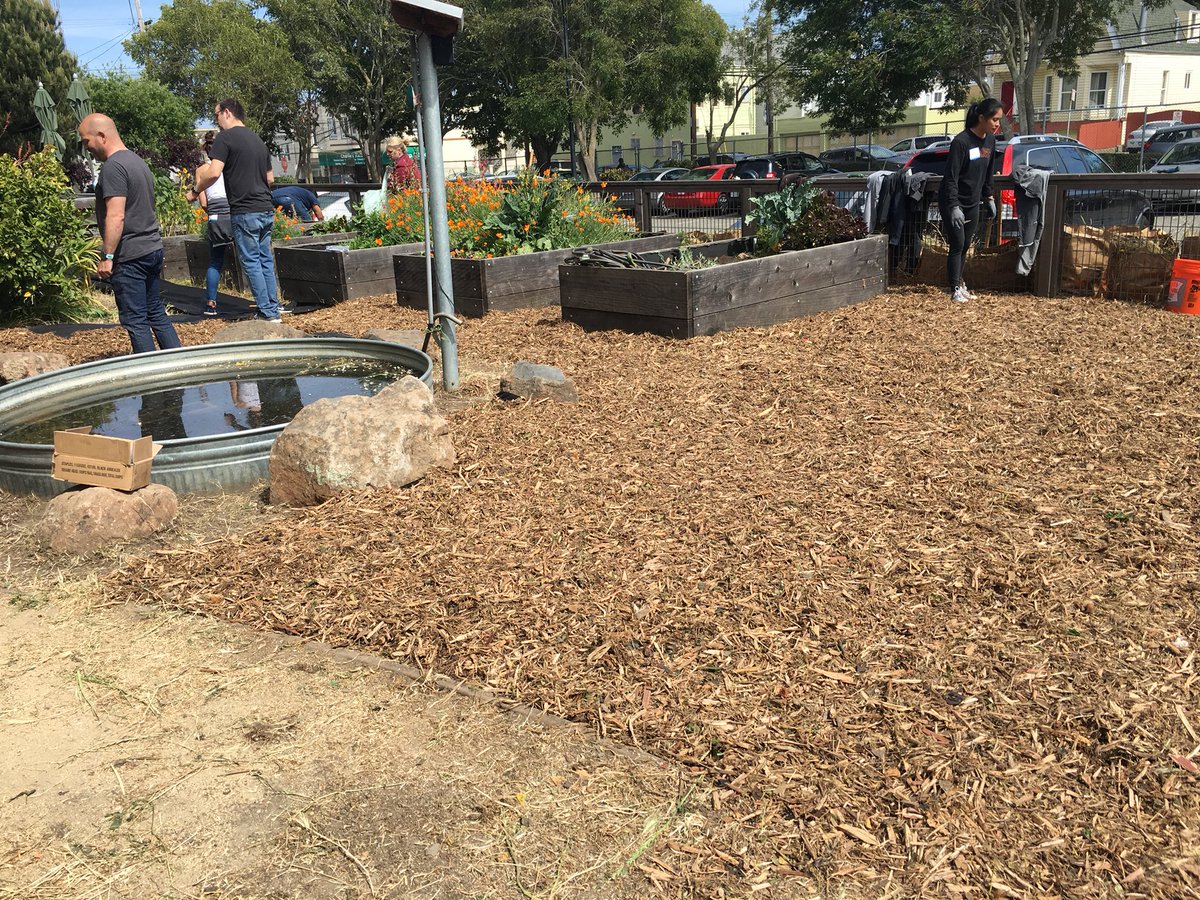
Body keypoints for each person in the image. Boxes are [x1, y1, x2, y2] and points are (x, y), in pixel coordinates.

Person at [78, 113, 182, 355]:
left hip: (130, 255)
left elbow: (116, 215)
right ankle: (178, 374)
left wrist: (108, 257)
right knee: (155, 312)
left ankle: (151, 384)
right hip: (151, 248)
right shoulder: (137, 162)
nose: (87, 149)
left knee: (136, 320)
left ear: (101, 136)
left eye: (86, 142)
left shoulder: (113, 167)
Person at [188, 99, 281, 323]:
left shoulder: (225, 138)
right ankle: (274, 308)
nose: (216, 121)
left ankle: (267, 313)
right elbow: (270, 178)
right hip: (265, 207)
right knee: (265, 259)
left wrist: (194, 191)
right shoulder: (257, 139)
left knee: (250, 261)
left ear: (227, 113)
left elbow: (212, 173)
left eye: (216, 115)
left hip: (244, 209)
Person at [938, 97, 1002, 303]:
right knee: (957, 244)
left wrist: (989, 196)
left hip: (973, 201)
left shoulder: (990, 141)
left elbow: (988, 172)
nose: (997, 124)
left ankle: (960, 283)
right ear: (981, 118)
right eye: (994, 119)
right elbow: (951, 177)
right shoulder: (961, 142)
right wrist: (954, 206)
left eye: (999, 120)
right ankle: (954, 288)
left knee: (965, 245)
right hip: (953, 201)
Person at [195, 131, 233, 316]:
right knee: (249, 257)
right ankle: (265, 300)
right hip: (233, 209)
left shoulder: (201, 170)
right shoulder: (228, 165)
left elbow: (203, 202)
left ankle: (211, 303)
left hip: (215, 213)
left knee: (216, 260)